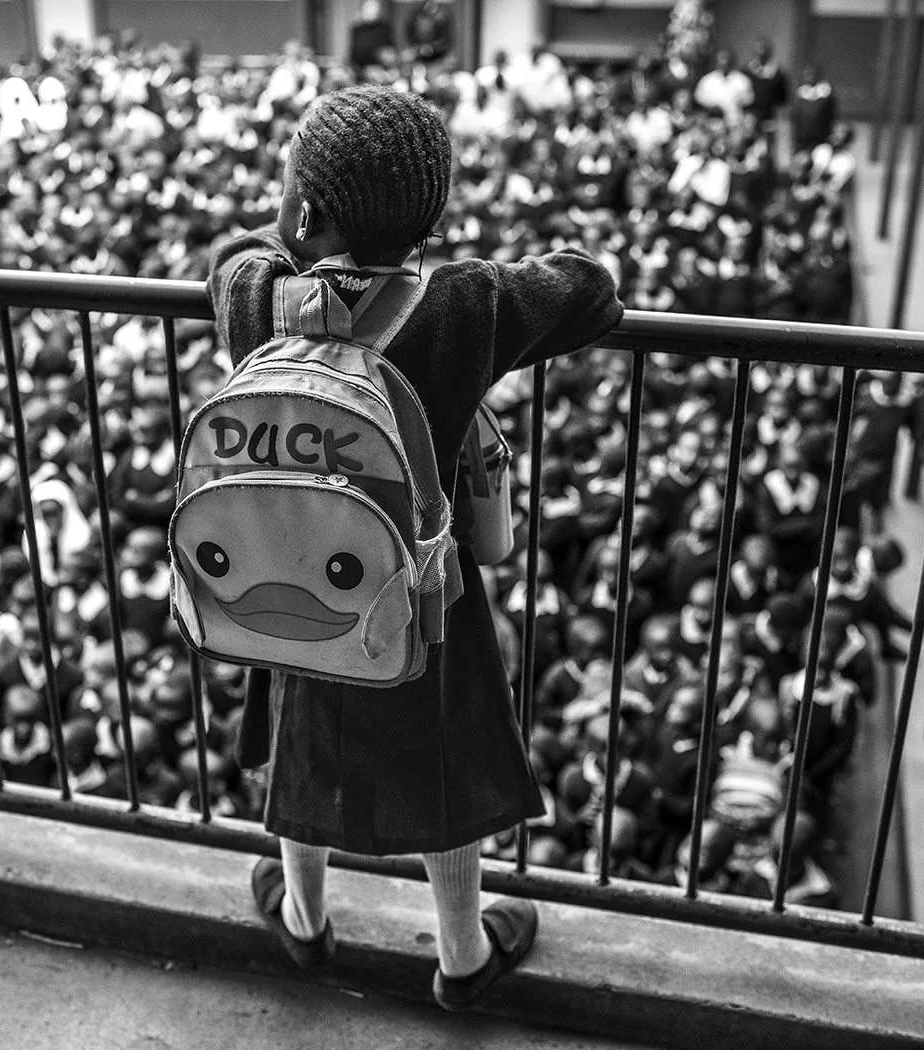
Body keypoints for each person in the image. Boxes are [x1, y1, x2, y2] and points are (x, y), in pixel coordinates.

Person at [209, 86, 622, 1010]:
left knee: (300, 742)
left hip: (289, 580)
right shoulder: (463, 307)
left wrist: (293, 252)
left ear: (306, 209)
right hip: (421, 589)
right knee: (441, 756)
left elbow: (226, 256)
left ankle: (306, 925)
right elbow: (589, 288)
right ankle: (462, 952)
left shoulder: (255, 300)